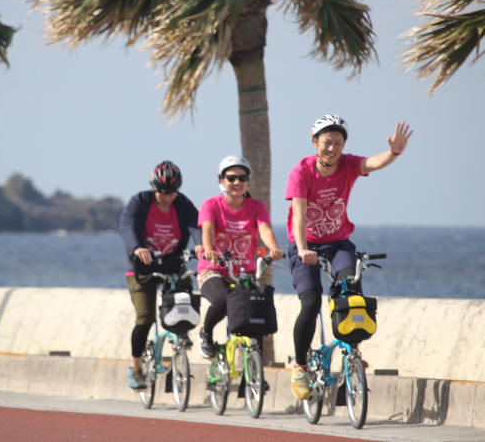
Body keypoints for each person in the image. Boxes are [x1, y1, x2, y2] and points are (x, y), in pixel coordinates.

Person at [286, 115, 413, 400]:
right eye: (327, 142)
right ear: (314, 141)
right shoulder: (302, 171)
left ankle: (351, 353)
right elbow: (300, 214)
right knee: (310, 302)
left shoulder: (347, 164)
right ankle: (300, 365)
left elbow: (372, 163)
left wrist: (394, 152)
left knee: (351, 290)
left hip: (338, 242)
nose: (332, 148)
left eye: (338, 143)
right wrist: (304, 248)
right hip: (305, 243)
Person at [119, 160, 202, 390]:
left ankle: (181, 334)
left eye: (172, 193)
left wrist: (201, 245)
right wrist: (137, 247)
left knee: (185, 290)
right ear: (153, 187)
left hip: (171, 264)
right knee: (145, 317)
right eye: (162, 193)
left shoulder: (183, 204)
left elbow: (197, 226)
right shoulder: (140, 201)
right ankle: (134, 366)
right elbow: (127, 225)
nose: (167, 197)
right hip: (142, 267)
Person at [196, 156, 284, 358]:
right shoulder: (211, 205)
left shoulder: (256, 206)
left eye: (242, 178)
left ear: (248, 181)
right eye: (231, 178)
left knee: (257, 318)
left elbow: (265, 229)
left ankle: (253, 382)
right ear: (221, 180)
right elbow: (207, 230)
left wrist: (274, 248)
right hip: (214, 269)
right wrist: (209, 249)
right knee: (222, 298)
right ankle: (205, 333)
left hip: (244, 273)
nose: (237, 183)